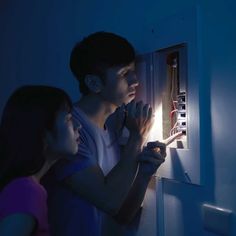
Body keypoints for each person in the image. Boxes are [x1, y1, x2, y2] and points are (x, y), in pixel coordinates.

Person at [42, 31, 166, 236]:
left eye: (133, 70)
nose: (135, 80)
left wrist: (144, 173)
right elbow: (109, 201)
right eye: (124, 73)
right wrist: (137, 137)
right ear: (94, 83)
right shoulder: (69, 131)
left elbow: (122, 215)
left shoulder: (111, 131)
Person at [0, 85, 80, 236]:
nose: (78, 125)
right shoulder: (26, 191)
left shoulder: (31, 186)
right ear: (43, 133)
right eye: (69, 119)